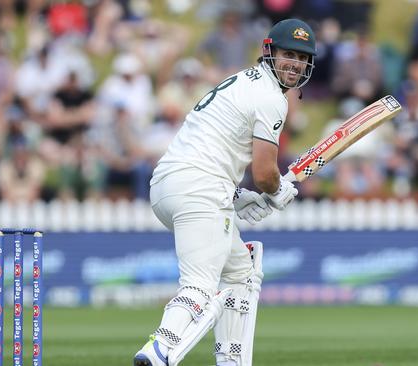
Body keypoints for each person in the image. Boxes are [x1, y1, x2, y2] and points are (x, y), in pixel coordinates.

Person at [133, 18, 316, 366]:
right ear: (270, 52)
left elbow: (214, 147)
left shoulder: (241, 82)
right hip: (200, 187)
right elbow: (264, 174)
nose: (295, 63)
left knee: (240, 271)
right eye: (288, 54)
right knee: (200, 285)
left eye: (303, 57)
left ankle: (231, 360)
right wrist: (276, 192)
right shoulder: (272, 99)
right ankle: (158, 351)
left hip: (170, 184)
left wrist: (236, 195)